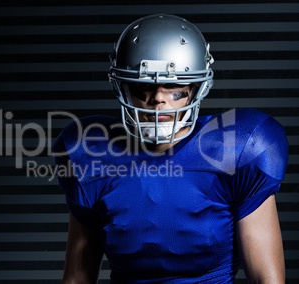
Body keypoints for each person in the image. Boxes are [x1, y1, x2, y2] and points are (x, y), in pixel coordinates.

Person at [53, 14, 288, 283]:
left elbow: (267, 280)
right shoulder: (90, 154)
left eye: (173, 84)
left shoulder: (237, 149)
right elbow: (77, 277)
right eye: (143, 86)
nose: (158, 99)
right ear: (123, 87)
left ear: (197, 87)